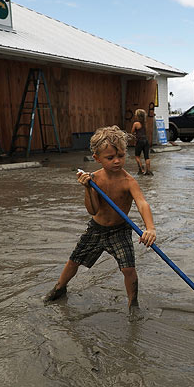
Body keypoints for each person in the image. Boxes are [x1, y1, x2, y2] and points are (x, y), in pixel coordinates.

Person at [44, 125, 157, 319]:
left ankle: (133, 303)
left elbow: (142, 203)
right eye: (110, 157)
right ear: (97, 158)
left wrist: (150, 228)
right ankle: (59, 288)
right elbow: (92, 209)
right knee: (74, 261)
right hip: (96, 229)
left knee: (128, 268)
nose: (117, 161)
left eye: (121, 155)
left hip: (120, 230)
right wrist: (88, 189)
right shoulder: (94, 179)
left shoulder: (128, 181)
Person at [131, 108, 153, 176]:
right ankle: (148, 170)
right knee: (147, 156)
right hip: (146, 141)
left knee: (137, 156)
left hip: (139, 141)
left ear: (137, 116)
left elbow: (132, 132)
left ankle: (141, 170)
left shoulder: (136, 123)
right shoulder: (145, 124)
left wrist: (134, 138)